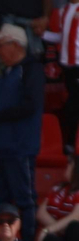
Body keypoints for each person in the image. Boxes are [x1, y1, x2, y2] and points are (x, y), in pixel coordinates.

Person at [0, 23, 42, 237]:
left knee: (24, 199)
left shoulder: (31, 69)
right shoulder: (5, 72)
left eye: (0, 46)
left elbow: (29, 106)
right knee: (1, 201)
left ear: (15, 45)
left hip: (19, 146)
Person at [58, 1, 79, 152]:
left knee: (74, 104)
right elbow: (61, 37)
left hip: (78, 63)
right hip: (67, 66)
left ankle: (71, 143)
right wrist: (42, 34)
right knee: (72, 103)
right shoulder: (63, 10)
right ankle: (70, 142)